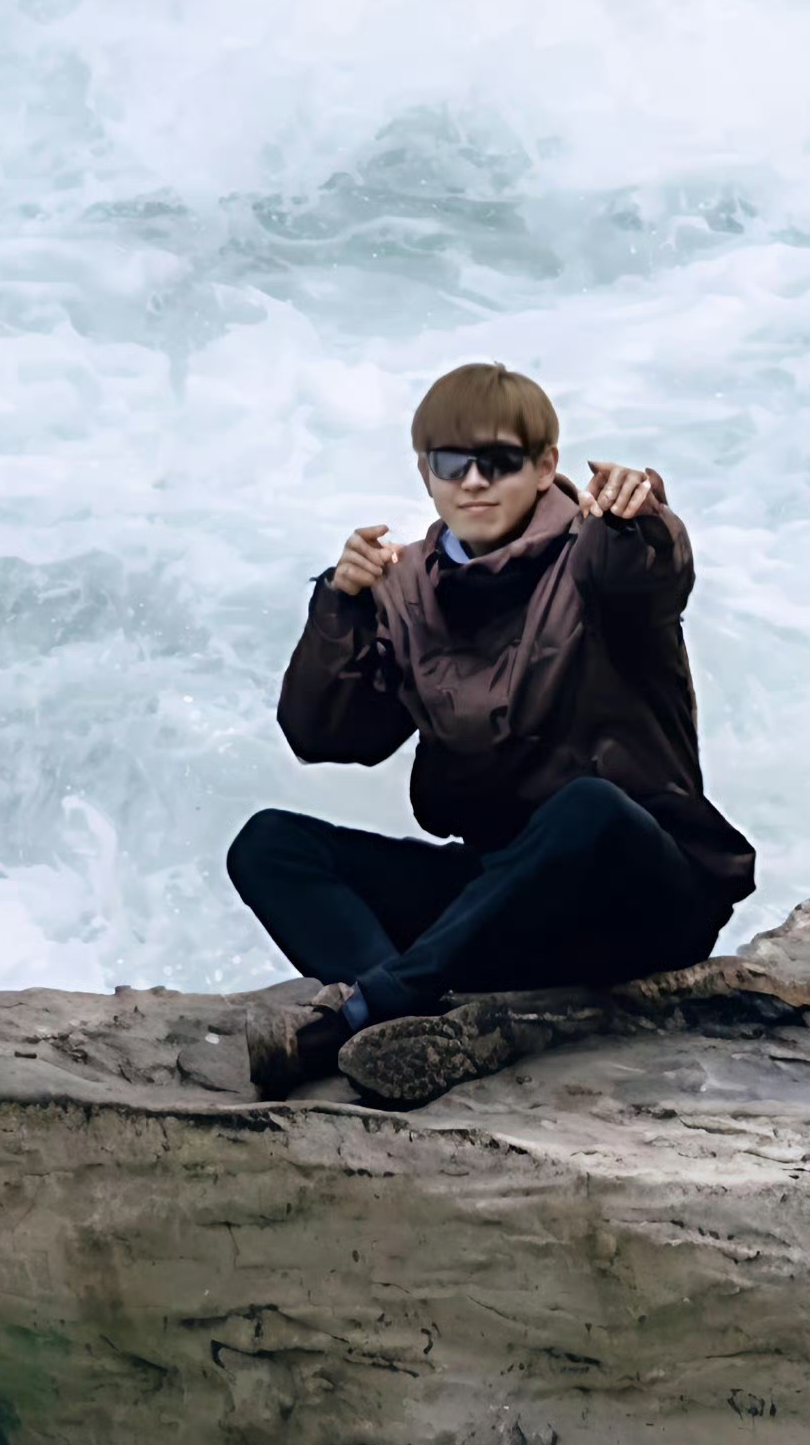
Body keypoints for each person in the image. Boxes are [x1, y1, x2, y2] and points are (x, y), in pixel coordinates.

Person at [227, 361, 755, 1099]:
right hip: (502, 904)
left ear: (546, 468)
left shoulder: (599, 547)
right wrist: (339, 607)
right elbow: (328, 737)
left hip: (638, 902)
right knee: (269, 844)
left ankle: (369, 1009)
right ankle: (410, 1029)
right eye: (452, 462)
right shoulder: (402, 587)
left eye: (500, 461)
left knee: (588, 806)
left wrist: (644, 513)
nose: (473, 480)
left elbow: (651, 571)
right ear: (425, 473)